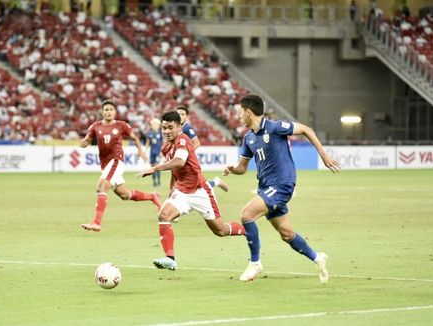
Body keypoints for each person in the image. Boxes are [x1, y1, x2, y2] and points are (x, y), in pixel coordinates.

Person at [223, 94, 340, 283]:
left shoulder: (275, 127)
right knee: (287, 234)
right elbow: (242, 168)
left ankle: (255, 263)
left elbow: (306, 129)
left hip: (282, 185)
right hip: (266, 188)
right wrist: (232, 169)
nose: (239, 118)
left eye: (240, 114)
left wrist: (324, 156)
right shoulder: (248, 138)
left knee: (246, 214)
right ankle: (318, 258)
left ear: (248, 112)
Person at [137, 111, 245, 270]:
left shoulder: (183, 140)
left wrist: (154, 168)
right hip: (182, 192)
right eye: (164, 128)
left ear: (179, 127)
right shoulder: (166, 147)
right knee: (164, 214)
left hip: (201, 191)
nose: (166, 131)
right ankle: (170, 258)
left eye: (170, 127)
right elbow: (175, 170)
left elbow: (179, 162)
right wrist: (170, 190)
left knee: (220, 231)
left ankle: (247, 231)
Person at [80, 99, 162, 232]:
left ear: (115, 112)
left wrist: (140, 151)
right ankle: (152, 197)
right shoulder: (96, 126)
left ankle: (96, 222)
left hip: (116, 161)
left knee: (101, 188)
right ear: (102, 112)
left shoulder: (121, 125)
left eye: (111, 110)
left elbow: (134, 138)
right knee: (125, 195)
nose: (108, 112)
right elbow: (87, 139)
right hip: (106, 164)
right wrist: (83, 143)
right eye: (106, 110)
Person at [176, 105, 229, 192]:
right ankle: (216, 182)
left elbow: (197, 143)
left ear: (187, 117)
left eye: (183, 114)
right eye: (178, 114)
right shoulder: (178, 128)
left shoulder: (187, 128)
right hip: (183, 160)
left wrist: (186, 154)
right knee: (193, 184)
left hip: (188, 161)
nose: (180, 116)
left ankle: (216, 182)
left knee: (198, 184)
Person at [145, 118, 163, 187]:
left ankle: (158, 182)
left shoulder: (161, 133)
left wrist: (162, 152)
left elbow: (163, 143)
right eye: (153, 124)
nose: (154, 126)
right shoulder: (149, 133)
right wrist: (144, 151)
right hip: (152, 153)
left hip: (158, 153)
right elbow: (147, 143)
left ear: (158, 125)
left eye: (156, 124)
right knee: (152, 168)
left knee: (157, 167)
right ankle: (154, 183)